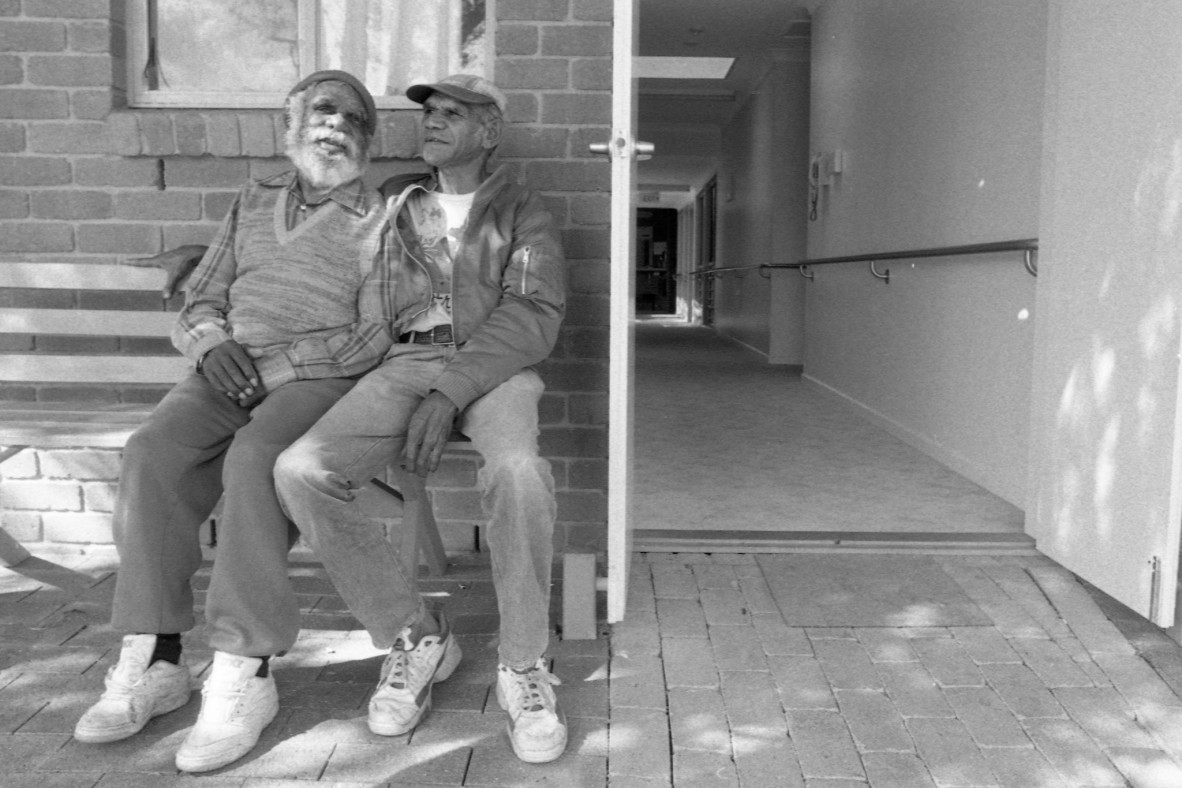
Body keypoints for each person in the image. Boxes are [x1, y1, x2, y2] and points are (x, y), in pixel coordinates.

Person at [73, 70, 393, 774]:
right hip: (225, 369)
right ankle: (154, 659)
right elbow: (201, 297)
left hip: (316, 377)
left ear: (370, 139)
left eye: (353, 115)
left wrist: (276, 369)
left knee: (255, 461)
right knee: (153, 450)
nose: (335, 122)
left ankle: (243, 668)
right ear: (292, 127)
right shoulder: (253, 200)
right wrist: (212, 345)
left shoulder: (383, 217)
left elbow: (376, 333)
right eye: (322, 109)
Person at [273, 73, 569, 763]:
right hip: (405, 366)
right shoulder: (397, 200)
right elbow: (317, 259)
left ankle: (524, 664)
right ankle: (416, 633)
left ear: (490, 131)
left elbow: (532, 315)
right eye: (428, 113)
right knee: (301, 470)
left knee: (519, 472)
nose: (430, 122)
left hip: (494, 371)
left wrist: (452, 391)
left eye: (451, 113)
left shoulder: (525, 211)